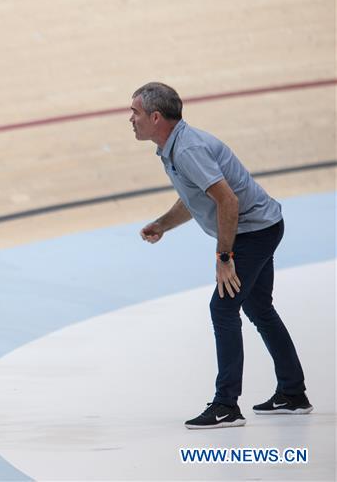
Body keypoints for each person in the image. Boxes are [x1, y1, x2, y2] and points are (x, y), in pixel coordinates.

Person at [130, 81, 311, 430]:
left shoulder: (186, 150)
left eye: (135, 112)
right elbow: (197, 197)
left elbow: (227, 200)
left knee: (223, 308)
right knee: (259, 308)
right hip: (264, 225)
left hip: (254, 232)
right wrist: (163, 224)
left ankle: (226, 405)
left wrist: (224, 257)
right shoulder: (174, 146)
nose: (130, 120)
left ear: (155, 117)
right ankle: (292, 393)